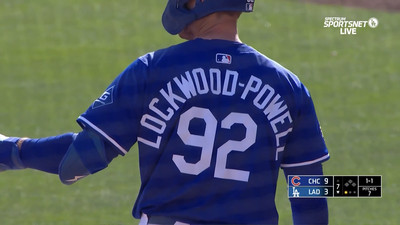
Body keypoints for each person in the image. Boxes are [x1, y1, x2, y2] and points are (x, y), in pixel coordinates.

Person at [0, 0, 330, 224]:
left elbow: (79, 161)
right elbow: (308, 187)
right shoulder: (288, 86)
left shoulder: (152, 69)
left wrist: (14, 152)